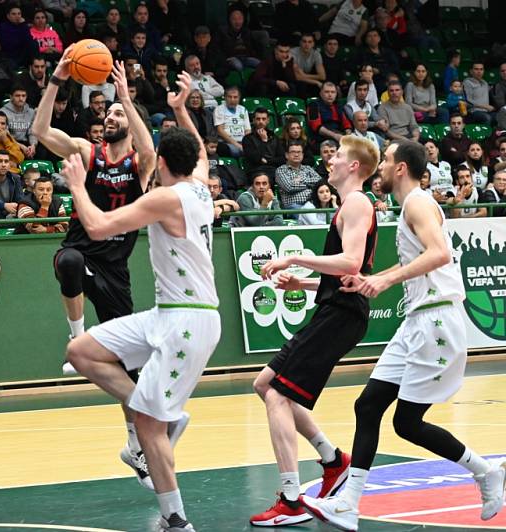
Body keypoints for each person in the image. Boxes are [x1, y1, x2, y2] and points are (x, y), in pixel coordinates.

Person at [300, 140, 506, 531]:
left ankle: (485, 472)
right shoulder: (409, 205)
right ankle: (349, 503)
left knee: (407, 424)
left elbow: (440, 253)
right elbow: (418, 258)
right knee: (368, 405)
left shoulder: (417, 202)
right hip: (416, 321)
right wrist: (371, 279)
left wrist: (386, 278)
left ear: (400, 168)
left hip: (436, 322)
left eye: (387, 160)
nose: (380, 167)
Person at [64, 70, 219, 532]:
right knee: (81, 351)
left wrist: (76, 184)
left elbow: (96, 227)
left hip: (188, 321)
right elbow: (202, 151)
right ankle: (159, 416)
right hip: (167, 314)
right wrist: (179, 108)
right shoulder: (199, 185)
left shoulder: (166, 199)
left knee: (148, 429)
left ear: (165, 162)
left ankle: (176, 519)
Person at [32, 51, 160, 489]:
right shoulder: (88, 151)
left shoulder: (140, 164)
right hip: (82, 254)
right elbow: (40, 131)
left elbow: (149, 150)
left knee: (129, 373)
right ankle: (76, 341)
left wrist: (127, 95)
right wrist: (56, 79)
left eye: (119, 111)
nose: (110, 114)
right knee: (67, 260)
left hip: (115, 270)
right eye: (108, 110)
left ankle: (134, 446)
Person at [250, 135, 380, 527]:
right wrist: (303, 284)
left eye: (338, 155)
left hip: (342, 316)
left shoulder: (357, 202)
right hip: (336, 307)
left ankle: (291, 500)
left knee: (277, 395)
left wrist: (294, 257)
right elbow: (348, 277)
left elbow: (353, 262)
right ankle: (332, 459)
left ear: (354, 166)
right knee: (264, 383)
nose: (331, 159)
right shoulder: (348, 206)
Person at [276, 140, 322, 210]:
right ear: (286, 155)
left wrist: (302, 180)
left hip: (312, 203)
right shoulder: (281, 170)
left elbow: (320, 182)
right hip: (294, 206)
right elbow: (289, 187)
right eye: (293, 152)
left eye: (299, 152)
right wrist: (310, 185)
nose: (296, 155)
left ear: (303, 155)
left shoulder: (308, 168)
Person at [243, 108, 285, 177]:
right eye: (258, 119)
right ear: (253, 120)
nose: (261, 121)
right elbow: (255, 159)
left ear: (268, 120)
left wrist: (267, 161)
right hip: (256, 171)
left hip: (274, 170)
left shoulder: (274, 137)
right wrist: (264, 141)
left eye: (263, 119)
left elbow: (282, 159)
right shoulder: (247, 138)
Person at [0, 84, 37, 158]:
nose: (21, 98)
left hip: (27, 143)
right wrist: (21, 146)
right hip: (11, 143)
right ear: (11, 97)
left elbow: (32, 132)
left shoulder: (31, 112)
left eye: (23, 96)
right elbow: (6, 136)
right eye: (17, 96)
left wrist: (33, 145)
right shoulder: (2, 112)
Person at [213, 86, 249, 159]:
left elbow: (247, 130)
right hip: (227, 143)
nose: (232, 100)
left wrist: (246, 144)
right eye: (230, 97)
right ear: (225, 97)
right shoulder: (219, 109)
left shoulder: (243, 109)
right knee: (224, 149)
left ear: (239, 98)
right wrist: (237, 145)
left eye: (235, 97)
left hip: (243, 142)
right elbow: (220, 131)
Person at [291, 33, 326, 98]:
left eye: (310, 42)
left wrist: (304, 75)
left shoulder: (316, 54)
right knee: (301, 85)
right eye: (304, 41)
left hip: (306, 77)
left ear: (313, 44)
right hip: (293, 79)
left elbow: (322, 76)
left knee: (323, 85)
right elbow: (297, 77)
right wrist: (316, 82)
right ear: (300, 43)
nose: (307, 44)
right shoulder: (293, 53)